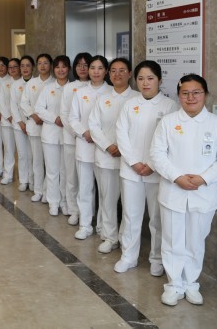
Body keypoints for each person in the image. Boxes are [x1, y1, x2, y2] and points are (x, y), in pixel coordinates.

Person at [150, 74, 217, 307]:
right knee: (172, 240)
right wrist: (177, 177)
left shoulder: (216, 124)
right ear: (179, 95)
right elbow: (157, 154)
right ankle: (174, 285)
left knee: (196, 241)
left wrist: (203, 178)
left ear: (205, 94)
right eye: (185, 93)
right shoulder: (168, 122)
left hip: (203, 193)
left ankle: (191, 284)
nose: (190, 97)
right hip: (173, 191)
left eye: (196, 92)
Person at [114, 60, 178, 276]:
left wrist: (151, 164)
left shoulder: (170, 106)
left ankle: (157, 258)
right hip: (131, 169)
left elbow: (169, 140)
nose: (145, 83)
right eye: (140, 78)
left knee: (157, 218)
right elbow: (121, 133)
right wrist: (134, 162)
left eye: (150, 78)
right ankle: (128, 256)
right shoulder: (130, 104)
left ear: (159, 80)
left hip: (157, 172)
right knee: (130, 215)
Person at [88, 58, 136, 253]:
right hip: (106, 157)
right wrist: (108, 146)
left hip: (130, 161)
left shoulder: (137, 98)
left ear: (130, 74)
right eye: (114, 70)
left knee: (129, 204)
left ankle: (125, 237)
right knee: (107, 200)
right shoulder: (102, 98)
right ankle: (110, 237)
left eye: (122, 70)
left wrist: (123, 149)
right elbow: (93, 125)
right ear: (109, 74)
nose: (117, 74)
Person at [69, 55, 112, 240]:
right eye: (92, 67)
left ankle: (102, 226)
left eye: (100, 68)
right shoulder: (80, 92)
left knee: (104, 191)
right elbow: (72, 118)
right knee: (85, 188)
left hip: (105, 150)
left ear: (106, 71)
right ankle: (85, 225)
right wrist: (84, 132)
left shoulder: (112, 92)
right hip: (85, 146)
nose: (95, 71)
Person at [35, 55, 70, 215]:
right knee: (52, 171)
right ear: (54, 69)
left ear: (69, 69)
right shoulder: (48, 88)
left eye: (64, 66)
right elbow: (39, 109)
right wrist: (55, 118)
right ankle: (53, 202)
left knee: (65, 172)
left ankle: (65, 202)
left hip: (68, 136)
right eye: (57, 67)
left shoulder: (73, 88)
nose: (61, 70)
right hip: (50, 135)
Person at [60, 52, 92, 224]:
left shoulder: (99, 88)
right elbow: (65, 114)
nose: (82, 68)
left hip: (92, 142)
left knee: (87, 181)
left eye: (86, 65)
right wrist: (77, 133)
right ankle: (73, 210)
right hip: (72, 139)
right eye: (79, 65)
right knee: (71, 177)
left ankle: (89, 212)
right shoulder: (69, 87)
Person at [20, 53, 54, 201]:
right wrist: (34, 116)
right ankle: (38, 190)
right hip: (35, 126)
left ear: (50, 65)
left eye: (45, 63)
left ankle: (48, 192)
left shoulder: (55, 83)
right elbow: (24, 103)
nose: (42, 66)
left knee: (51, 164)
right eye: (40, 63)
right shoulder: (31, 83)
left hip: (51, 128)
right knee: (37, 160)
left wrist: (45, 118)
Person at [12, 56, 34, 191]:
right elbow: (13, 106)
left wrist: (30, 122)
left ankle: (32, 180)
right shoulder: (15, 84)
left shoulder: (36, 83)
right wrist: (21, 123)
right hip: (18, 125)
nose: (25, 68)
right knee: (22, 154)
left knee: (32, 155)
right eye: (22, 66)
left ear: (33, 67)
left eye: (28, 65)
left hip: (34, 125)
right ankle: (23, 180)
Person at [0, 58, 20, 184]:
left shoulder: (25, 83)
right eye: (10, 67)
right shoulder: (4, 83)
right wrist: (10, 117)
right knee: (9, 149)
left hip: (22, 123)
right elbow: (1, 102)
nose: (12, 69)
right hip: (7, 121)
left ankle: (25, 178)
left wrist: (18, 119)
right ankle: (8, 174)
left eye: (15, 66)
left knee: (23, 153)